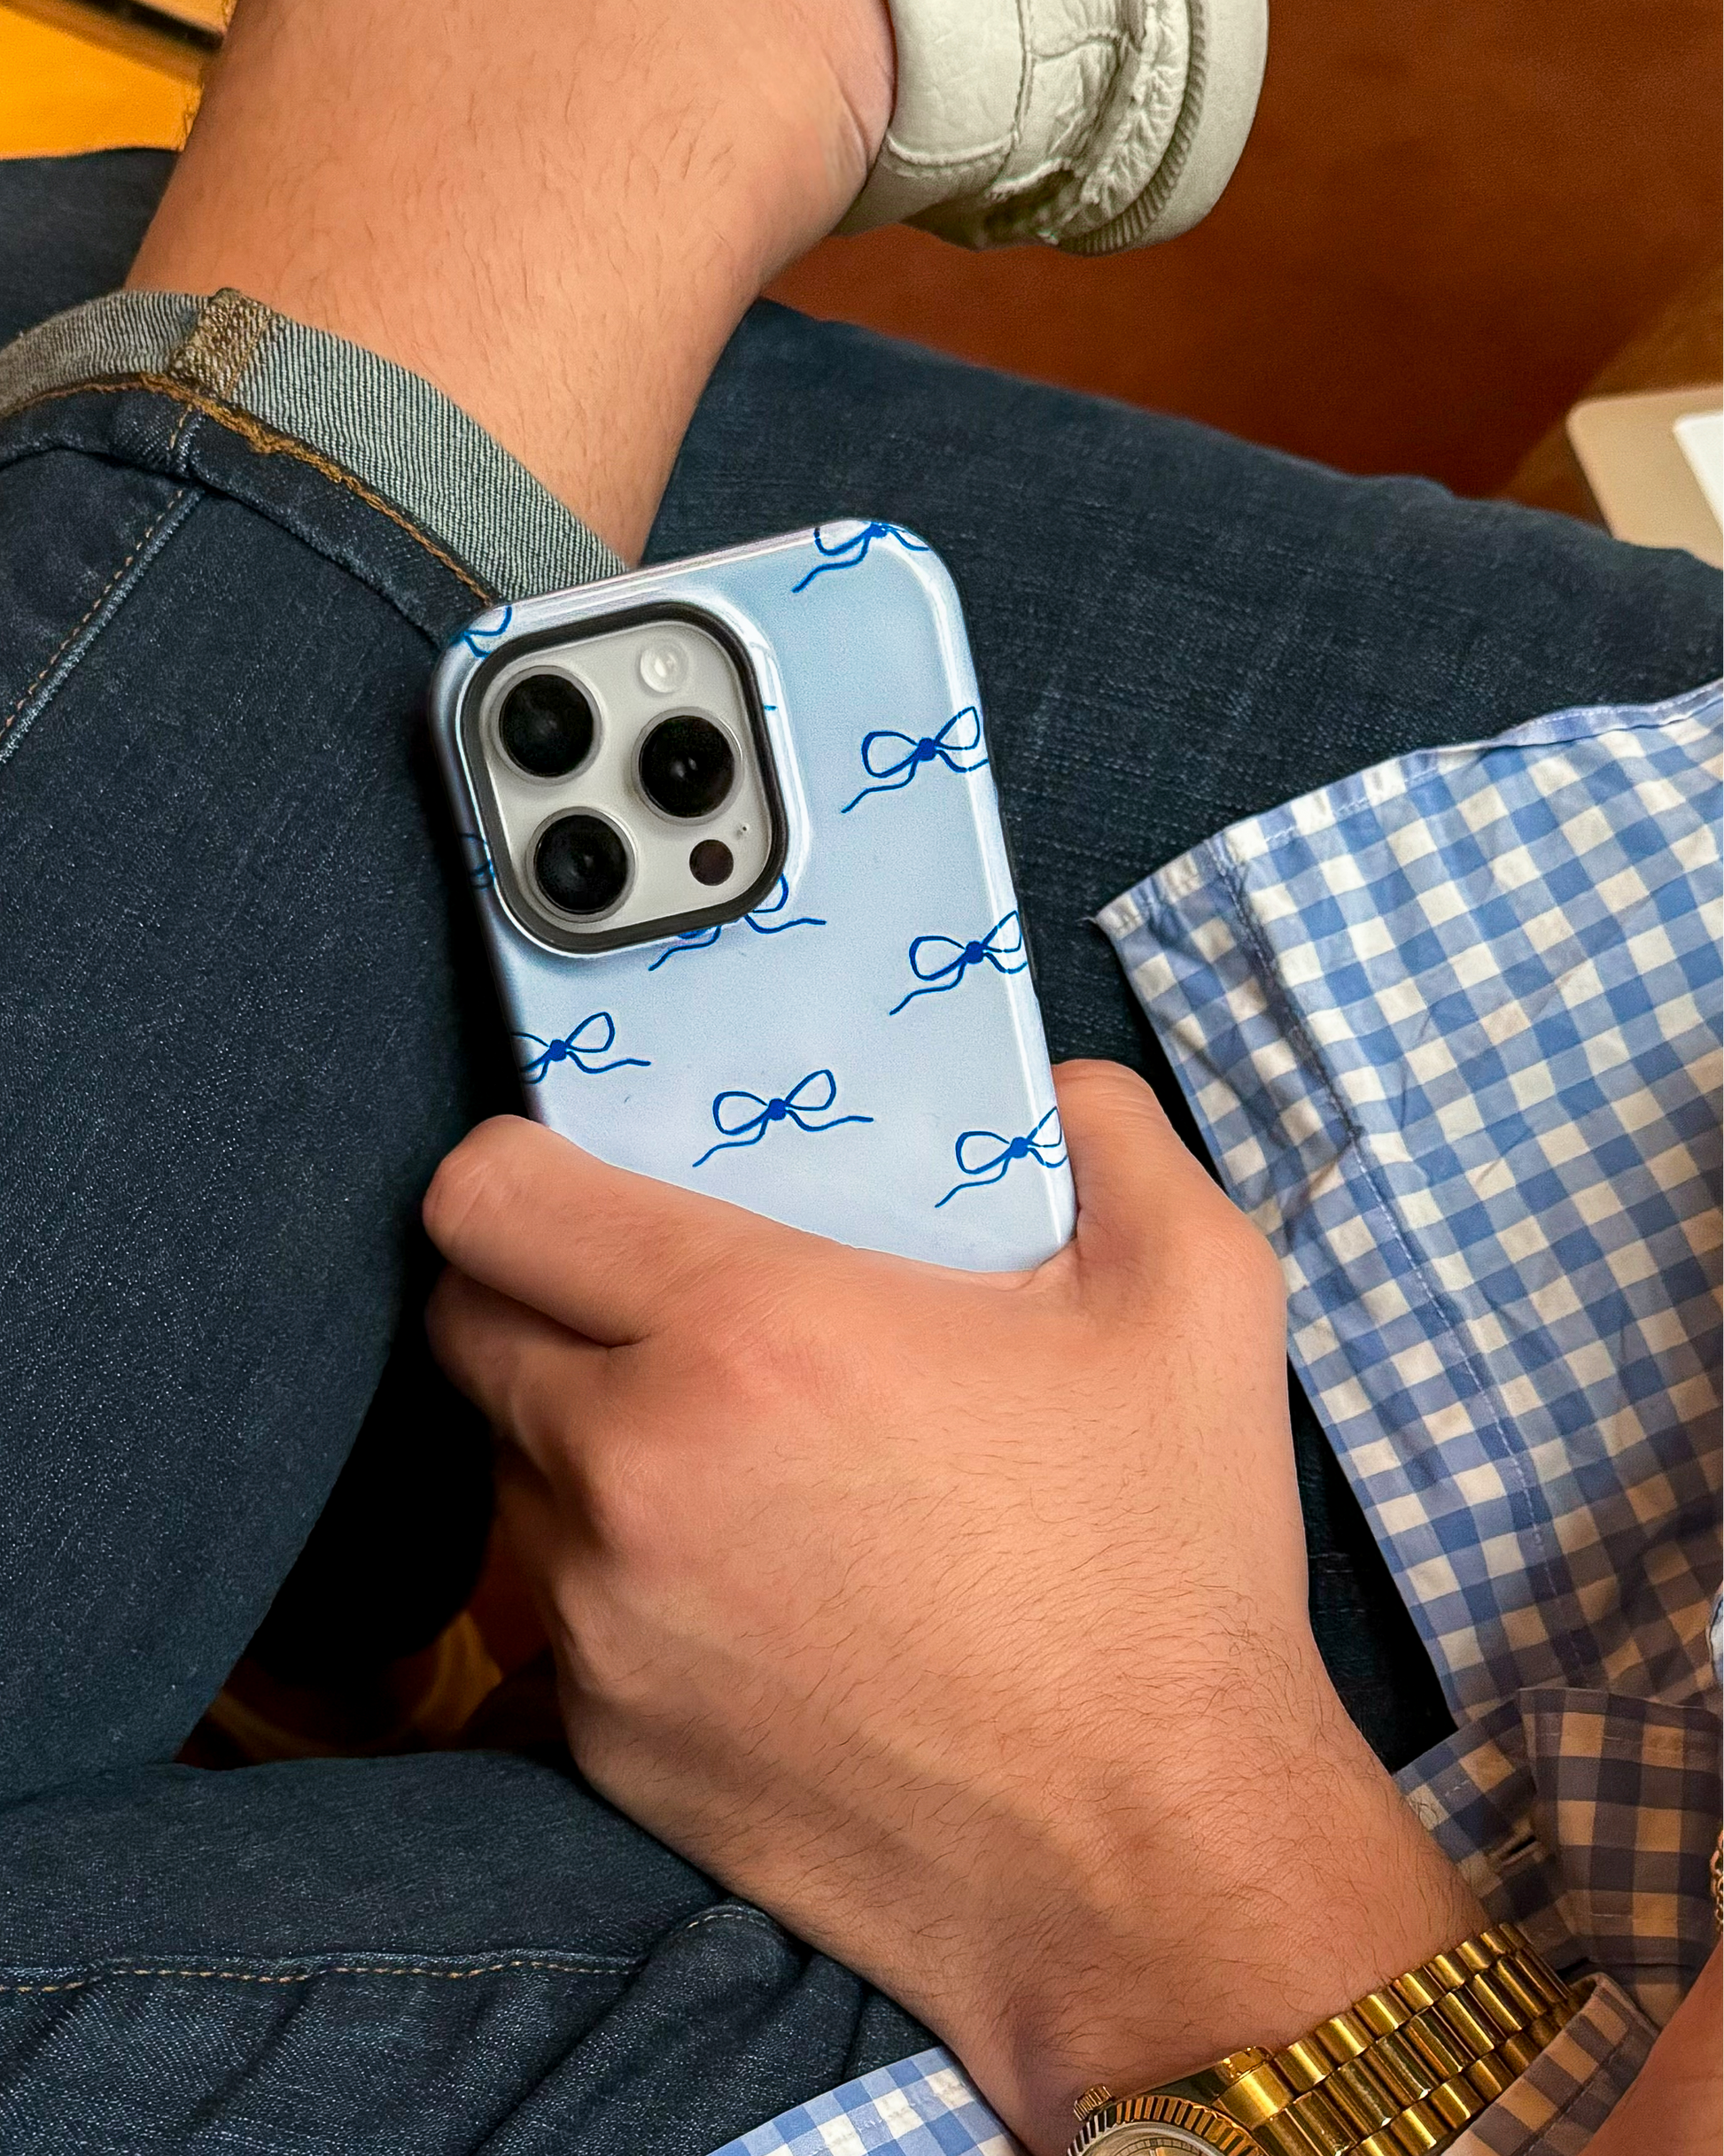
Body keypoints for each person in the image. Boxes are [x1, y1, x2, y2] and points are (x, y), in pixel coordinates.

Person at [1, 0, 1722, 2148]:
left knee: (193, 346)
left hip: (1353, 1990)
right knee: (116, 312)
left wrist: (1179, 1865)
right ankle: (321, 1597)